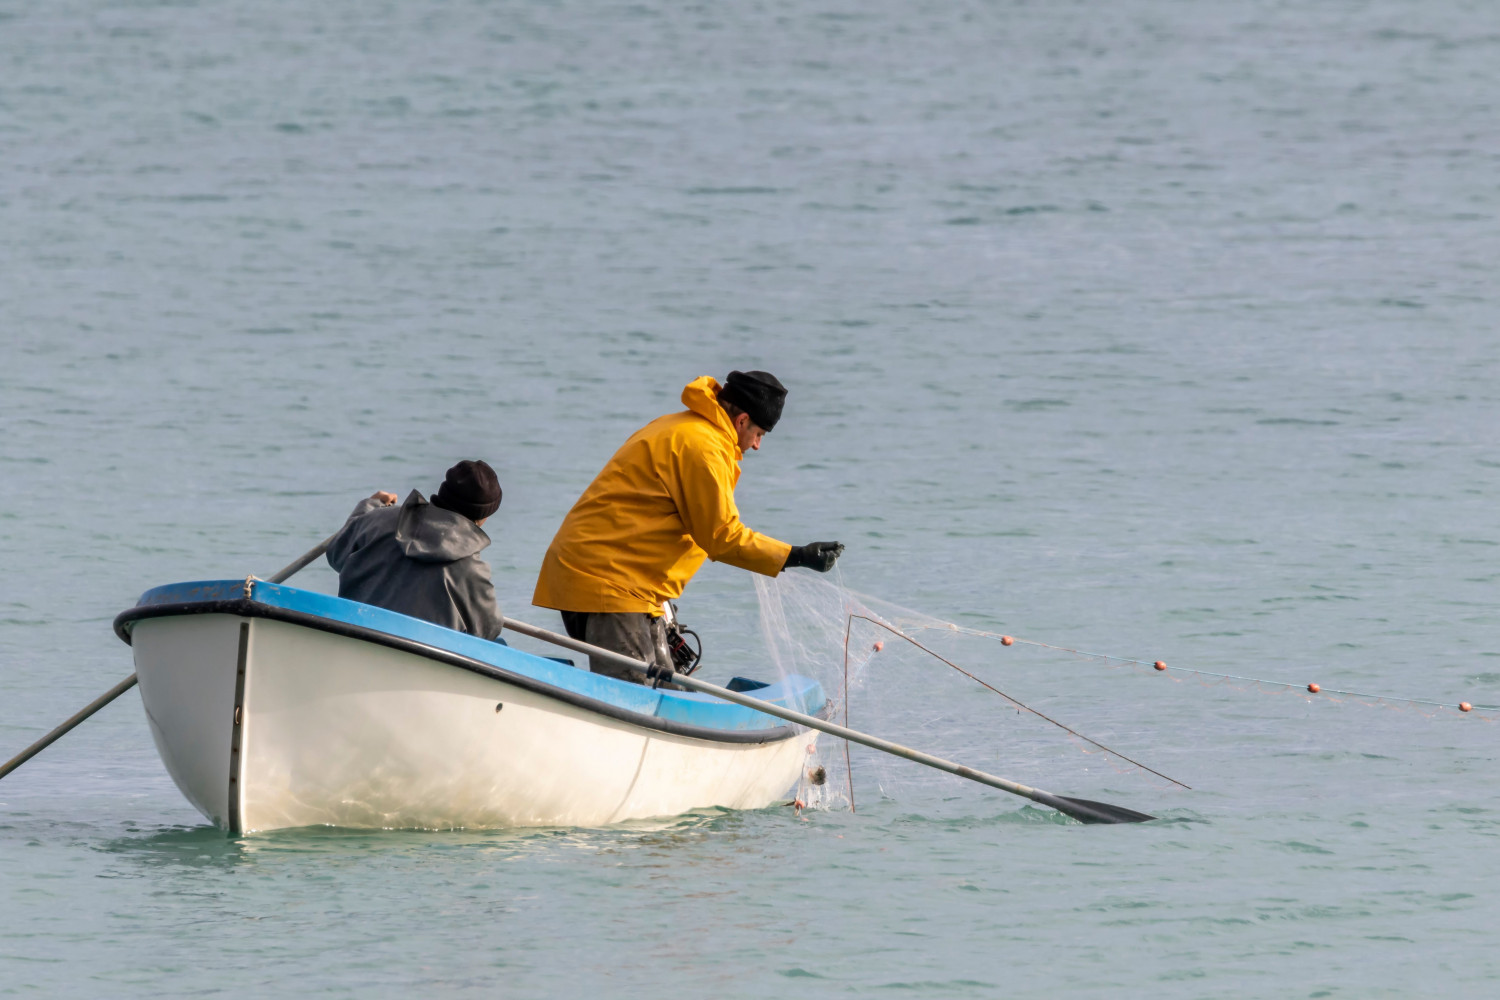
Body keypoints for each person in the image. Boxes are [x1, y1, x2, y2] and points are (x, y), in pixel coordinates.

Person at [533, 370, 844, 682]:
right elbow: (722, 536)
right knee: (634, 696)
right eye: (759, 434)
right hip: (609, 582)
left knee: (667, 689)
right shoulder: (704, 448)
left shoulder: (682, 425)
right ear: (741, 420)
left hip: (630, 584)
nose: (757, 445)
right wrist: (797, 555)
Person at [326, 459, 505, 640]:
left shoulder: (377, 519)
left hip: (353, 636)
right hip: (421, 657)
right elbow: (488, 630)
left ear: (444, 491)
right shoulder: (472, 569)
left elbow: (336, 554)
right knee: (499, 643)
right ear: (483, 516)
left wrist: (368, 507)